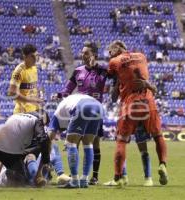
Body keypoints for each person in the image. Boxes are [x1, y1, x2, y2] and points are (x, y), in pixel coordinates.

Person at [62, 42, 154, 186]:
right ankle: (74, 173)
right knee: (76, 142)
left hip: (95, 111)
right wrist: (62, 95)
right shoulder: (77, 71)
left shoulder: (103, 70)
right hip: (79, 110)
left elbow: (118, 77)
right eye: (82, 52)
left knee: (95, 143)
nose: (83, 55)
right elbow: (67, 89)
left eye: (86, 53)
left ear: (95, 55)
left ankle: (94, 176)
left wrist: (117, 90)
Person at [107, 40, 168, 187]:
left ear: (119, 47)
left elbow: (113, 95)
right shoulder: (141, 56)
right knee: (157, 135)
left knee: (121, 141)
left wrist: (117, 81)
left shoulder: (114, 61)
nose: (109, 54)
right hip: (149, 103)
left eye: (110, 50)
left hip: (130, 106)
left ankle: (118, 178)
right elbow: (143, 78)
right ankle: (162, 164)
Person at [48, 93, 104, 188]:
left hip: (81, 106)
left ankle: (74, 180)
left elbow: (49, 138)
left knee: (71, 143)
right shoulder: (67, 104)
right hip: (98, 106)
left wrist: (46, 158)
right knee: (88, 144)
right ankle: (84, 180)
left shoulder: (56, 115)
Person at [0, 112, 51, 187]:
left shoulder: (15, 116)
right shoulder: (37, 121)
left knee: (22, 170)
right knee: (23, 179)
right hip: (12, 153)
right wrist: (45, 161)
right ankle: (21, 176)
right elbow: (43, 140)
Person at [8, 44, 43, 114]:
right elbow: (12, 93)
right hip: (23, 112)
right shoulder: (19, 71)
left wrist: (40, 93)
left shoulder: (34, 68)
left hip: (35, 109)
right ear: (25, 57)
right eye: (32, 56)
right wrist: (31, 100)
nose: (36, 58)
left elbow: (33, 86)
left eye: (36, 55)